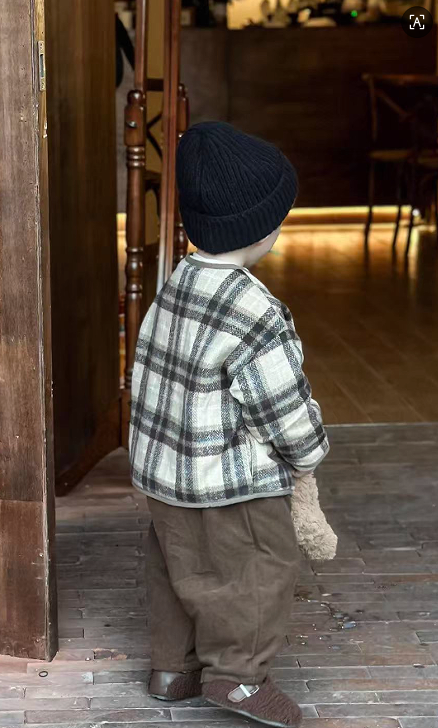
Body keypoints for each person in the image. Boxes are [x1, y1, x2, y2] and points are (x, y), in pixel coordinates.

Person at [128, 121, 329, 728]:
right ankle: (239, 678)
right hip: (232, 484)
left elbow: (148, 375)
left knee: (179, 570)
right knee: (258, 573)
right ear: (261, 229)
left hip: (166, 477)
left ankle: (173, 669)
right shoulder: (255, 311)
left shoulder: (174, 286)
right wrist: (309, 452)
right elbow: (281, 405)